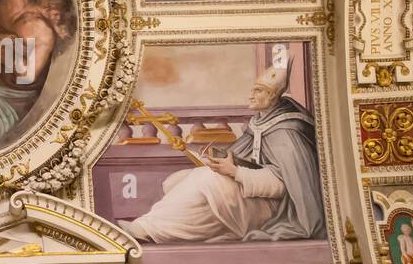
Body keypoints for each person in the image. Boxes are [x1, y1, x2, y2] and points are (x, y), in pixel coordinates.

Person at [121, 61, 325, 243]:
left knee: (208, 181)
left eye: (258, 91)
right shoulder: (262, 121)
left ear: (273, 96)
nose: (250, 95)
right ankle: (155, 227)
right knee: (178, 180)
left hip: (272, 208)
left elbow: (284, 186)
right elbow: (244, 156)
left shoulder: (286, 132)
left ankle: (148, 229)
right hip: (249, 193)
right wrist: (218, 156)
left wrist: (235, 172)